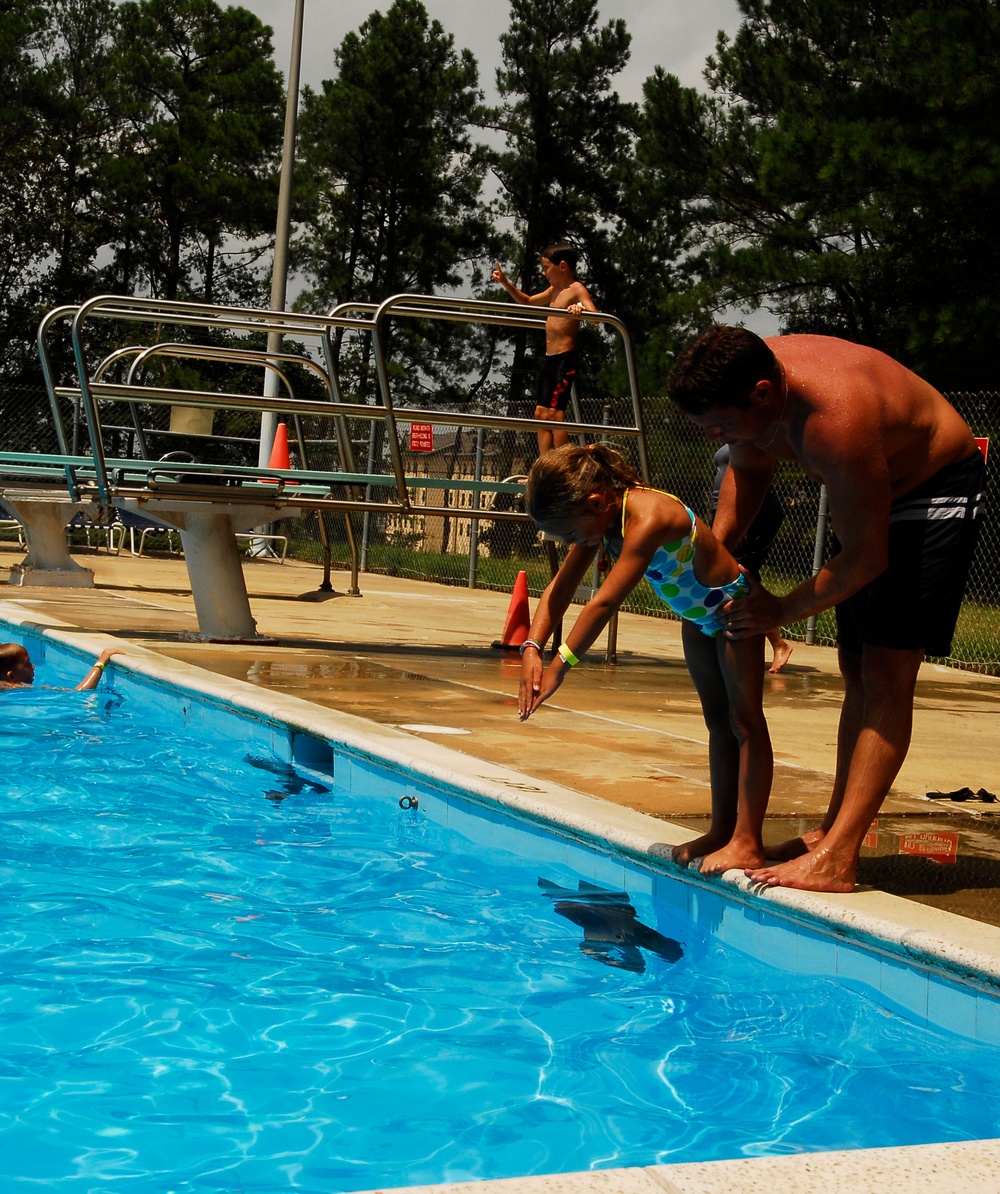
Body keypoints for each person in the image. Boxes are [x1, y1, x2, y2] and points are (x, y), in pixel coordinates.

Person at [668, 324, 986, 893]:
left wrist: (778, 610)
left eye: (720, 423)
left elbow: (866, 557)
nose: (712, 435)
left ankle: (839, 856)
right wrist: (715, 557)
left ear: (763, 394)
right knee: (856, 666)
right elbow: (749, 465)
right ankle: (832, 832)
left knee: (888, 670)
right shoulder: (754, 386)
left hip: (934, 487)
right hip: (878, 490)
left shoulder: (833, 420)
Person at [516, 442, 773, 875]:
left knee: (745, 721)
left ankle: (748, 841)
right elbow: (558, 590)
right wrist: (530, 648)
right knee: (717, 723)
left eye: (572, 535)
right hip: (698, 618)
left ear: (596, 502)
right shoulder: (600, 520)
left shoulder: (647, 517)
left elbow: (604, 602)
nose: (575, 543)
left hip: (733, 611)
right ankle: (723, 830)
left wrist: (560, 667)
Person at [492, 242, 598, 455]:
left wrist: (580, 308)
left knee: (555, 414)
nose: (543, 272)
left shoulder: (576, 289)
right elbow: (528, 301)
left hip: (566, 359)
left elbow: (595, 317)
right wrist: (505, 282)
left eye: (546, 267)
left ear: (562, 266)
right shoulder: (553, 291)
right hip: (550, 360)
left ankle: (563, 463)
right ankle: (545, 463)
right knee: (540, 413)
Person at [712, 444, 793, 673]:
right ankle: (771, 641)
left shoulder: (754, 436)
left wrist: (743, 520)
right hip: (727, 512)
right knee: (735, 573)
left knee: (739, 572)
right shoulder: (731, 433)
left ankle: (778, 644)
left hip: (750, 512)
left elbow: (761, 474)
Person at [0, 643, 124, 690]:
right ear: (11, 676)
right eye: (27, 664)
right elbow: (79, 692)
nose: (33, 667)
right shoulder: (17, 689)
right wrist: (101, 663)